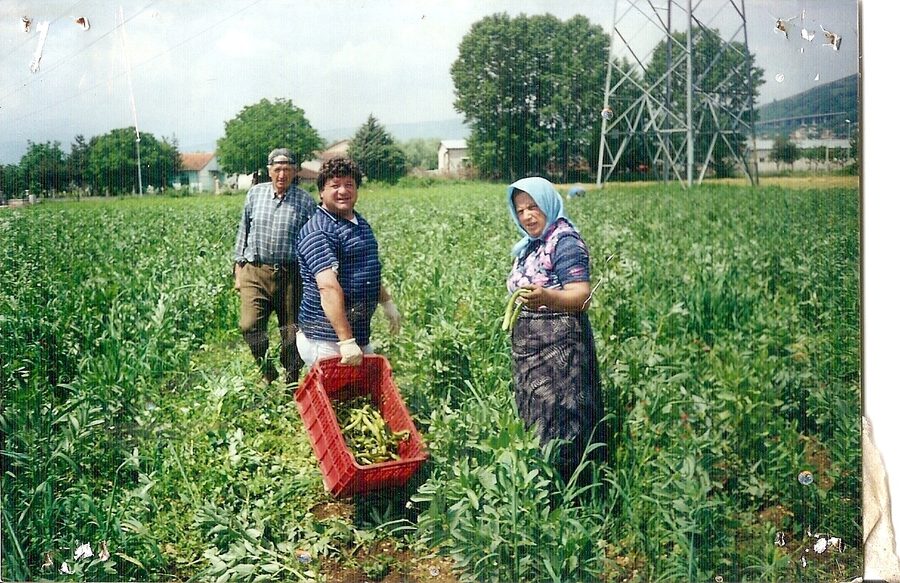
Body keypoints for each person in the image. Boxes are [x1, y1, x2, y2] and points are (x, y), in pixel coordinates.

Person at [505, 176, 606, 483]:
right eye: (520, 210)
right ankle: (543, 482)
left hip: (561, 349)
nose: (527, 216)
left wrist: (547, 297)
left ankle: (573, 488)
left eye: (533, 207)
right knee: (538, 415)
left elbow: (582, 296)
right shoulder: (530, 245)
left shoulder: (565, 242)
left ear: (548, 204)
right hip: (532, 348)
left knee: (564, 416)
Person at [295, 156, 401, 367]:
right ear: (321, 192)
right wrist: (346, 341)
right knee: (335, 397)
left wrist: (386, 302)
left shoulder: (359, 223)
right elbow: (327, 287)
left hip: (355, 332)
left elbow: (366, 271)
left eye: (349, 185)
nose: (343, 191)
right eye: (335, 185)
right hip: (327, 336)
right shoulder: (319, 230)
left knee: (360, 394)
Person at [233, 148, 317, 387]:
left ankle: (291, 381)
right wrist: (238, 271)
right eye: (277, 169)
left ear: (295, 172)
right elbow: (243, 232)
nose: (282, 174)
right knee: (249, 326)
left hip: (291, 275)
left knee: (291, 334)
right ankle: (266, 371)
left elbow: (312, 240)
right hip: (255, 271)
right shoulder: (255, 195)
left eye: (287, 169)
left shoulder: (305, 202)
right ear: (269, 171)